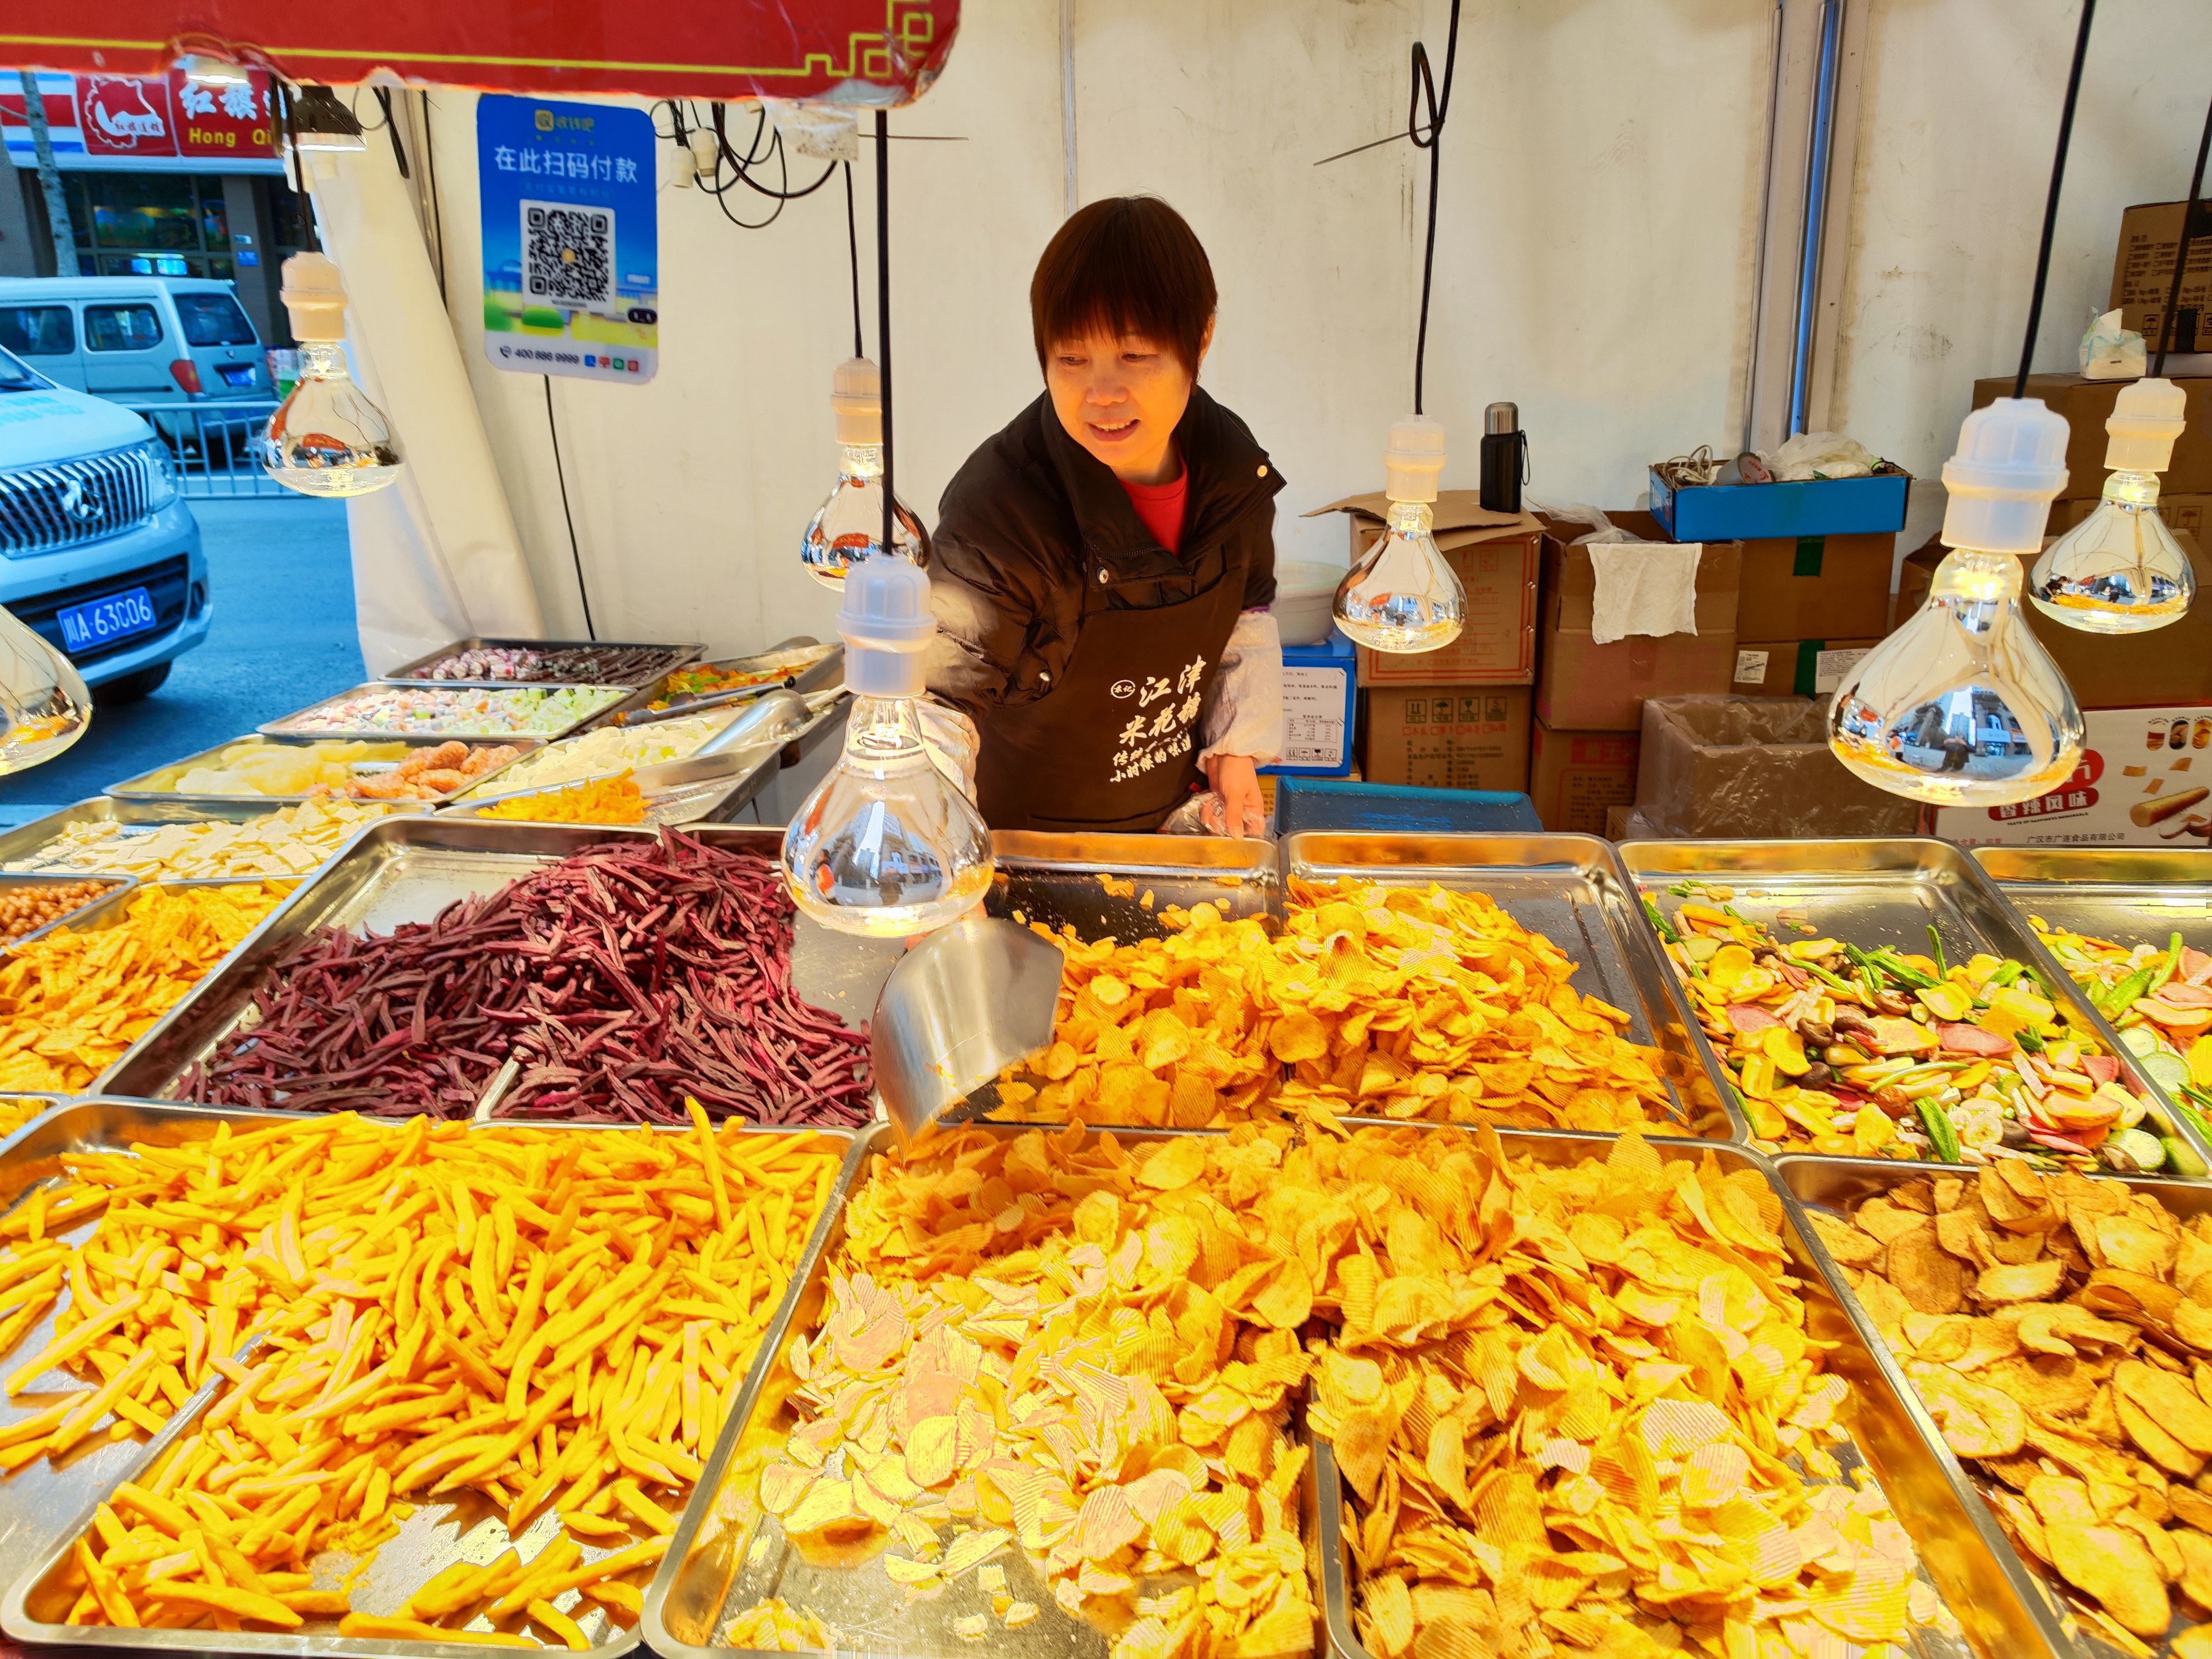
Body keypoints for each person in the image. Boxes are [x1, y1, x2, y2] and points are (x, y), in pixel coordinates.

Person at [924, 195, 1283, 835]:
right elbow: (936, 707)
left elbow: (1243, 621)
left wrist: (1234, 754)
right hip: (1017, 856)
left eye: (1136, 356)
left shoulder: (1231, 465)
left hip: (1166, 841)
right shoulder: (1001, 506)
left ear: (1200, 339)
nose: (1102, 394)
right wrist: (942, 868)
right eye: (1071, 360)